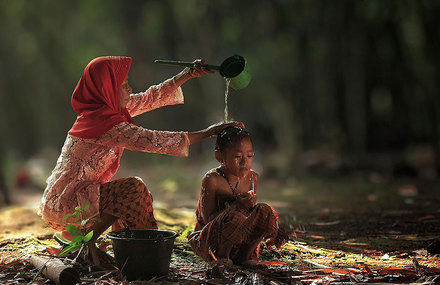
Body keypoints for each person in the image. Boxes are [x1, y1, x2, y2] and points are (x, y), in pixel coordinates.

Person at [38, 56, 242, 265]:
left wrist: (188, 74)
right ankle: (95, 244)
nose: (129, 89)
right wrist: (209, 133)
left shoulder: (104, 111)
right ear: (107, 91)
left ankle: (125, 250)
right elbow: (154, 140)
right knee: (133, 190)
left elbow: (150, 97)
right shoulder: (105, 123)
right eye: (124, 85)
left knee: (133, 196)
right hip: (67, 204)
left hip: (66, 199)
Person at [188, 126, 289, 266]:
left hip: (238, 235)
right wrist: (235, 206)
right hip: (209, 239)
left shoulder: (253, 177)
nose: (244, 162)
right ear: (219, 157)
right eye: (237, 156)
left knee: (265, 211)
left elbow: (250, 216)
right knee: (236, 216)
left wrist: (250, 206)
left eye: (249, 156)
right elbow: (207, 220)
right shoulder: (212, 180)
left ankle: (245, 254)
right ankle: (221, 257)